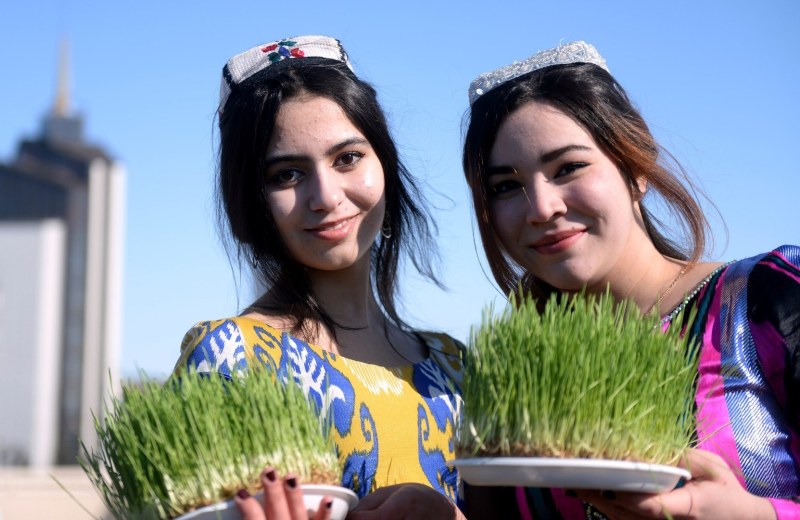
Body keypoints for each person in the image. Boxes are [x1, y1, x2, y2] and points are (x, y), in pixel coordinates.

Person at [461, 40, 800, 519]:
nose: (542, 208)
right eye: (506, 186)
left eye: (569, 167)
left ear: (635, 166)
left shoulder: (768, 297)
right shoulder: (509, 375)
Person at [171, 35, 466, 519]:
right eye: (287, 174)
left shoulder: (454, 369)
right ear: (250, 201)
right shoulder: (233, 359)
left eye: (348, 158)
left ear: (385, 165)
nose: (325, 196)